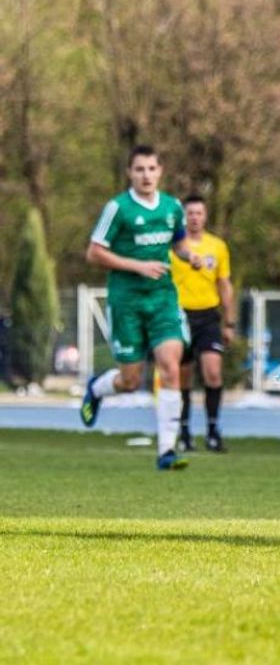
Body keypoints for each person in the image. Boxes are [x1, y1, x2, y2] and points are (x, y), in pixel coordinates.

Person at [80, 145, 205, 470]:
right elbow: (94, 253)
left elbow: (178, 243)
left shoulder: (172, 207)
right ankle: (97, 388)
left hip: (162, 298)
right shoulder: (118, 208)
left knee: (170, 366)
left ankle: (167, 451)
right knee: (130, 381)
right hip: (127, 302)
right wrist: (137, 266)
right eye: (139, 169)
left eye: (151, 168)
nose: (146, 175)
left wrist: (189, 256)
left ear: (160, 171)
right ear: (130, 173)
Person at [169, 194, 235, 453]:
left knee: (213, 371)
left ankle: (213, 430)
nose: (194, 218)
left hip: (208, 316)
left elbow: (224, 284)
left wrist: (229, 322)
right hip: (179, 315)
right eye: (190, 213)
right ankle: (184, 432)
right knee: (182, 377)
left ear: (205, 216)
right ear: (183, 217)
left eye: (199, 213)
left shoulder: (217, 246)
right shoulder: (173, 247)